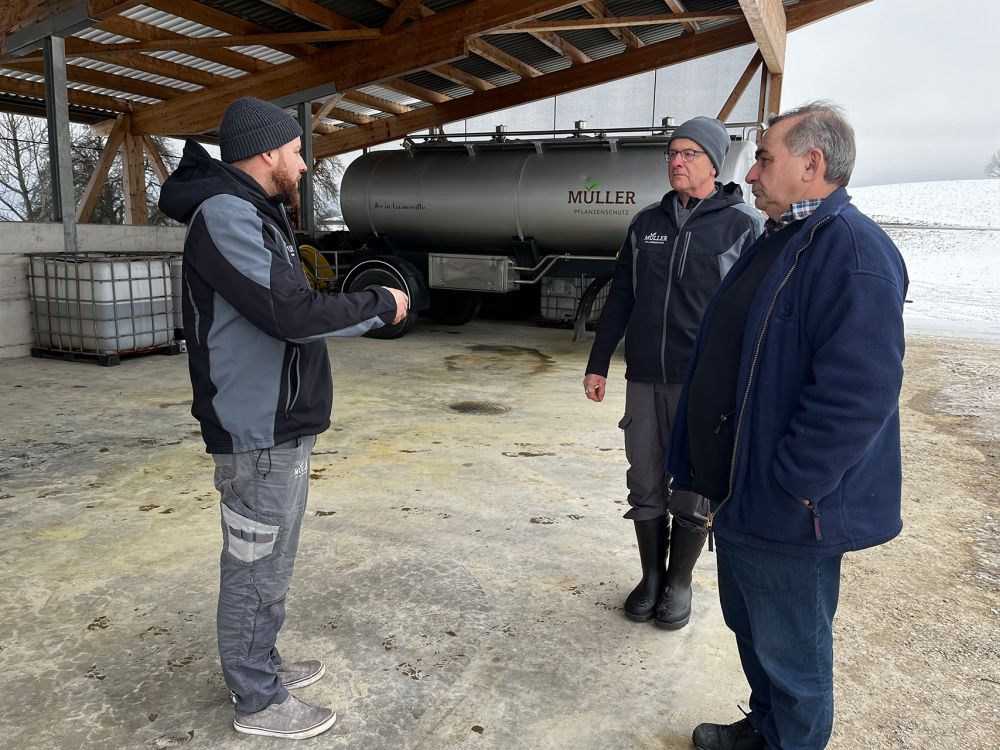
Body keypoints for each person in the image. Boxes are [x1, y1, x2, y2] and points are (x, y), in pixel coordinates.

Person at [158, 97, 408, 740]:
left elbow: (285, 309)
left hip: (278, 425)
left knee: (272, 562)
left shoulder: (250, 212)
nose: (301, 164)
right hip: (255, 430)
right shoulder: (225, 215)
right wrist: (381, 303)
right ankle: (257, 701)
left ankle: (260, 665)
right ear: (268, 151)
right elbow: (291, 315)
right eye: (296, 151)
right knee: (253, 565)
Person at [668, 102, 908, 750]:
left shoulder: (854, 252)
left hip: (787, 506)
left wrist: (794, 482)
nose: (749, 174)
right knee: (755, 632)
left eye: (765, 158)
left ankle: (790, 739)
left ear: (813, 163)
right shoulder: (781, 240)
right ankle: (765, 730)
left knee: (795, 654)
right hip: (743, 495)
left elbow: (859, 394)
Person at [583, 116, 764, 629]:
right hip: (644, 377)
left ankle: (680, 582)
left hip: (702, 383)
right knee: (644, 476)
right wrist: (599, 363)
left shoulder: (743, 225)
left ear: (713, 162)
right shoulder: (646, 225)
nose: (677, 161)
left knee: (691, 484)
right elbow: (621, 296)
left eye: (688, 153)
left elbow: (754, 311)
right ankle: (651, 578)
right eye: (672, 153)